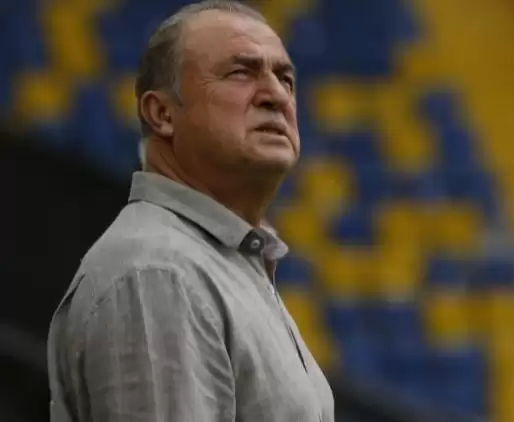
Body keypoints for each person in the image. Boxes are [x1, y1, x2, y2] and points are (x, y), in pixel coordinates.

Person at [46, 1, 334, 421]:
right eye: (241, 72)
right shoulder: (158, 273)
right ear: (162, 113)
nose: (276, 95)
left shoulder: (215, 262)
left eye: (285, 78)